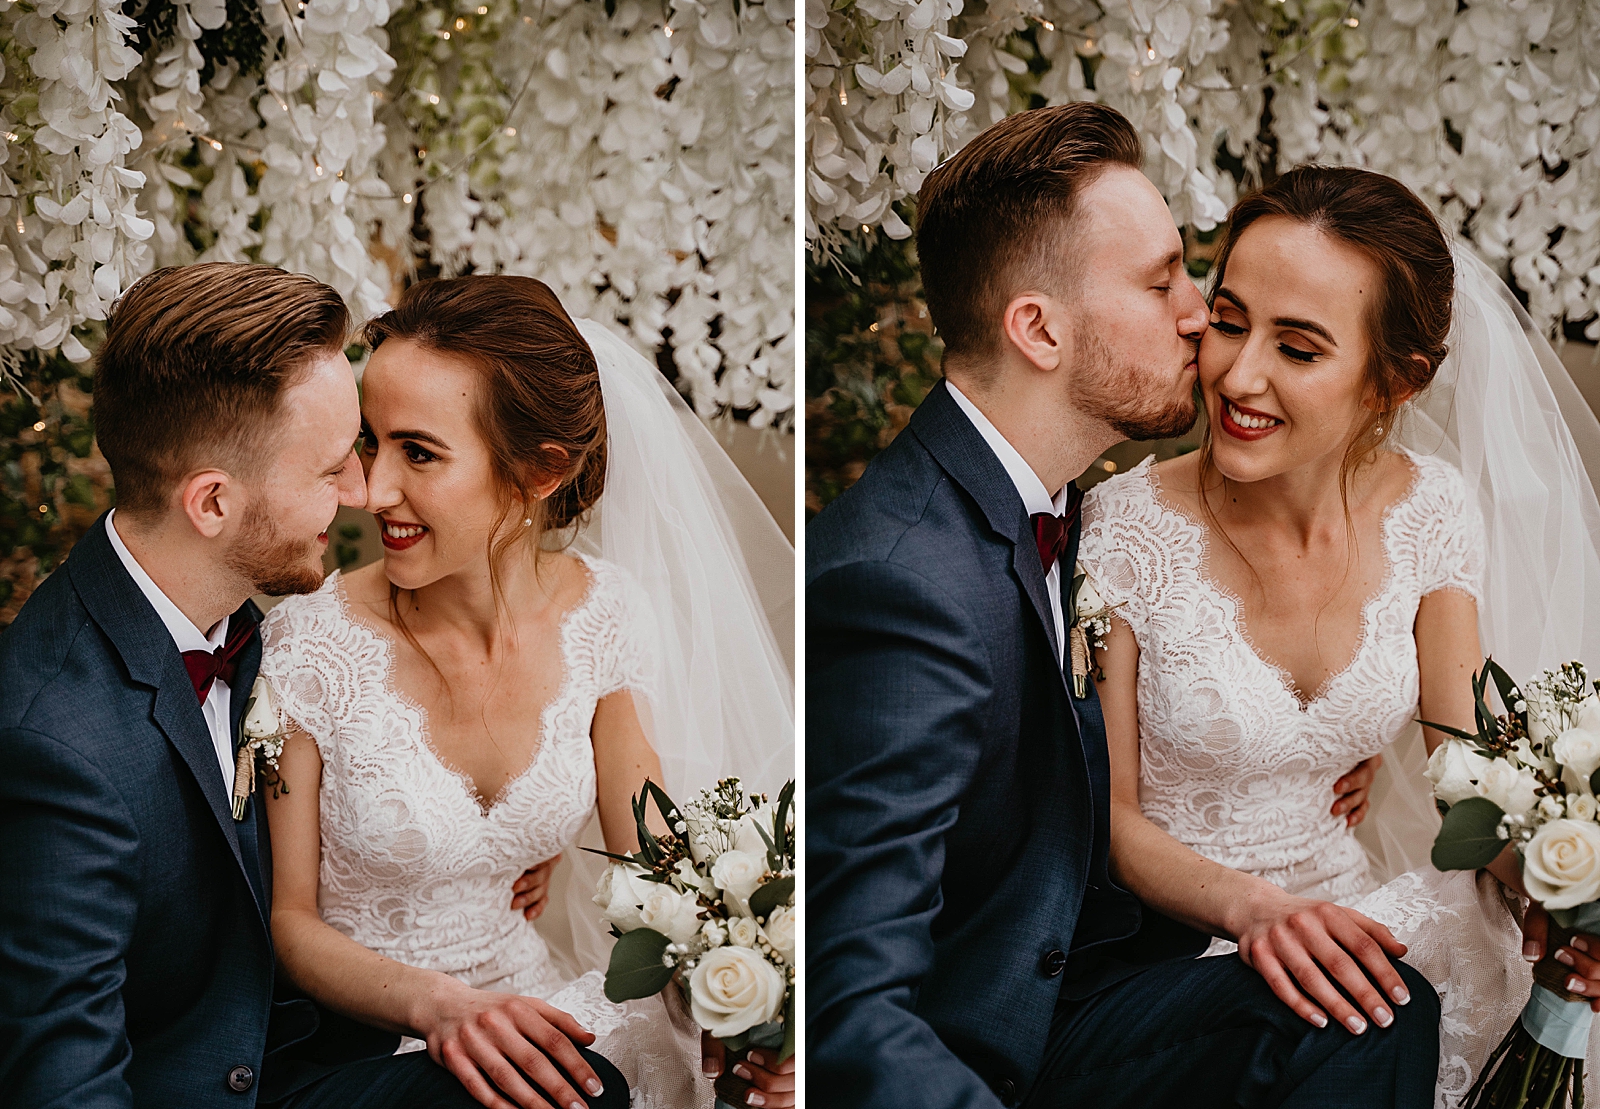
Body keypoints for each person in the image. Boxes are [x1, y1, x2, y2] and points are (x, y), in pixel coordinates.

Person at [806, 104, 1441, 1109]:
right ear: (1039, 329)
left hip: (1123, 964)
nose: (1200, 317)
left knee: (1371, 1001)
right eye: (1162, 282)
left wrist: (1311, 737)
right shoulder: (900, 580)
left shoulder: (1055, 508)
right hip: (995, 1044)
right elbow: (848, 1007)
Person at [0, 262, 629, 1108]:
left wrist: (502, 833)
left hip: (329, 1045)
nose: (365, 493)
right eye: (333, 468)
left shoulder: (238, 620)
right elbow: (63, 1085)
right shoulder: (54, 739)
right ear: (212, 503)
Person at [1076, 165, 1600, 1105]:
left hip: (1355, 900)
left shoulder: (1433, 510)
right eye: (1228, 321)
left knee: (1462, 954)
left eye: (1298, 347)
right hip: (1184, 951)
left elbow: (1462, 762)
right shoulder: (1122, 529)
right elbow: (1112, 824)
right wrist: (1261, 912)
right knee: (1368, 1009)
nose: (1239, 375)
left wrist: (1563, 895)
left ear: (1393, 380)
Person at [257, 275, 796, 1109]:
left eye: (418, 452)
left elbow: (656, 867)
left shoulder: (608, 615)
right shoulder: (308, 643)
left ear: (539, 471)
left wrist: (751, 1012)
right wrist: (441, 1008)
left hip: (537, 998)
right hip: (364, 1042)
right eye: (370, 441)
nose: (372, 489)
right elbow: (290, 922)